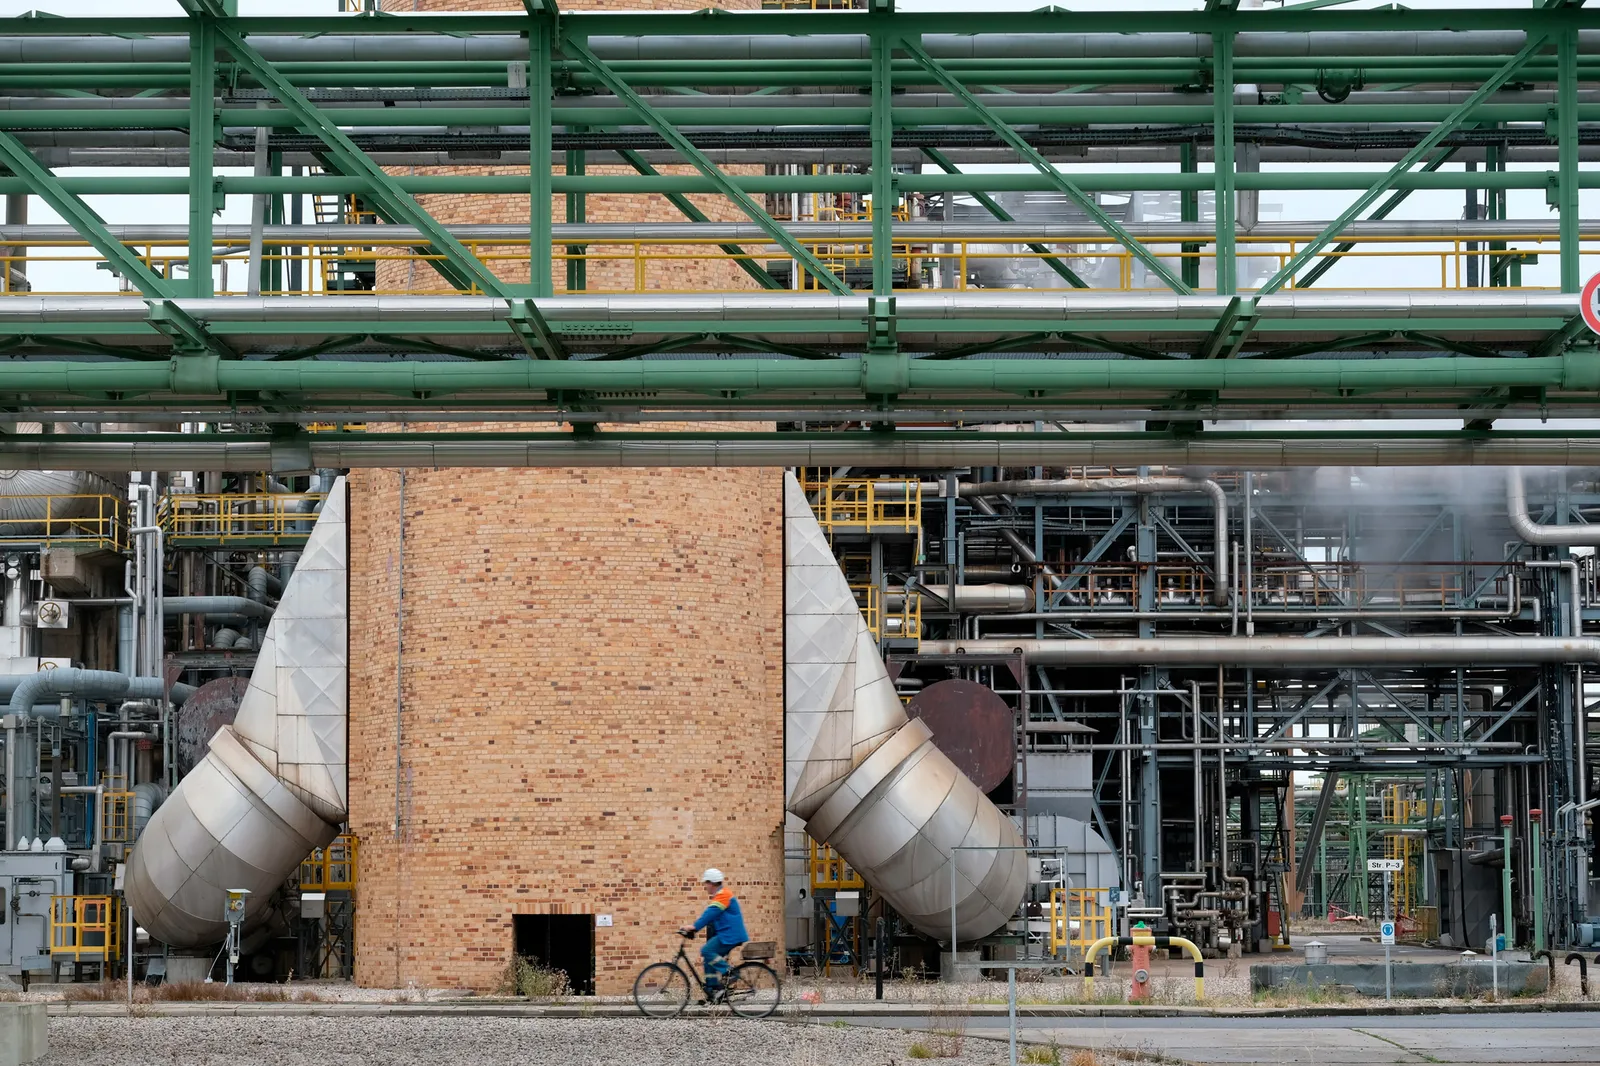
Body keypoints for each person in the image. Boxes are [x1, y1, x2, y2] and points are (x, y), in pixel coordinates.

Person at [678, 868, 748, 999]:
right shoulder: (721, 895)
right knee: (708, 960)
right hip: (727, 934)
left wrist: (693, 927)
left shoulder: (723, 895)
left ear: (711, 883)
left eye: (706, 883)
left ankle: (730, 973)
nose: (705, 886)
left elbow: (710, 914)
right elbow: (710, 915)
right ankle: (713, 992)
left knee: (706, 950)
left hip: (730, 935)